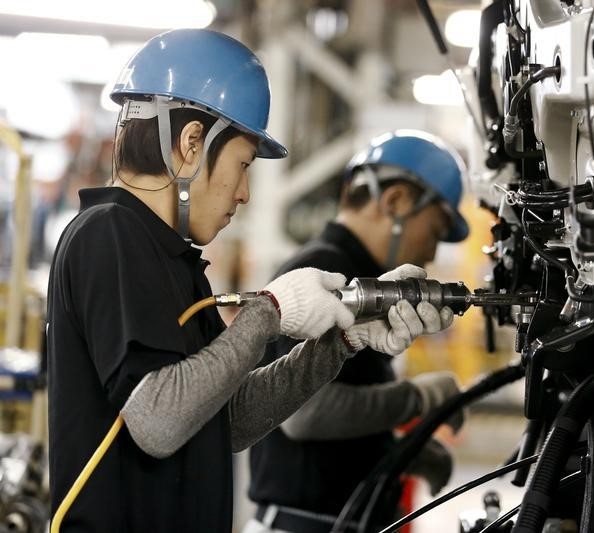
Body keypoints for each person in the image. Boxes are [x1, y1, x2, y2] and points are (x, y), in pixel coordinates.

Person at [46, 30, 450, 533]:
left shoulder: (173, 258)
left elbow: (227, 419)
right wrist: (269, 312)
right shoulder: (109, 234)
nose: (243, 193)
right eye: (242, 166)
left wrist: (338, 343)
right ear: (191, 144)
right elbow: (159, 421)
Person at [246, 130, 470, 533]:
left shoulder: (364, 280)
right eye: (434, 231)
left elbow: (341, 418)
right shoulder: (325, 272)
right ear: (396, 201)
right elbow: (305, 416)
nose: (432, 253)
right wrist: (419, 397)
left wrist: (398, 452)